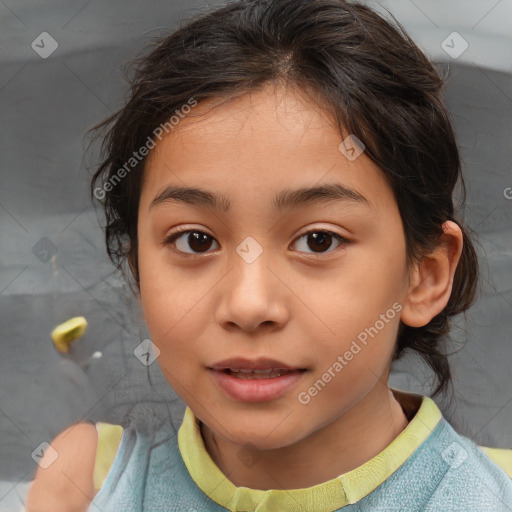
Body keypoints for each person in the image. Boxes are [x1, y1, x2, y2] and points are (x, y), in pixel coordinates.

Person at [26, 0, 512, 510]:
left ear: (425, 276)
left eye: (318, 240)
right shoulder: (87, 487)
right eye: (196, 240)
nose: (249, 305)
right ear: (138, 269)